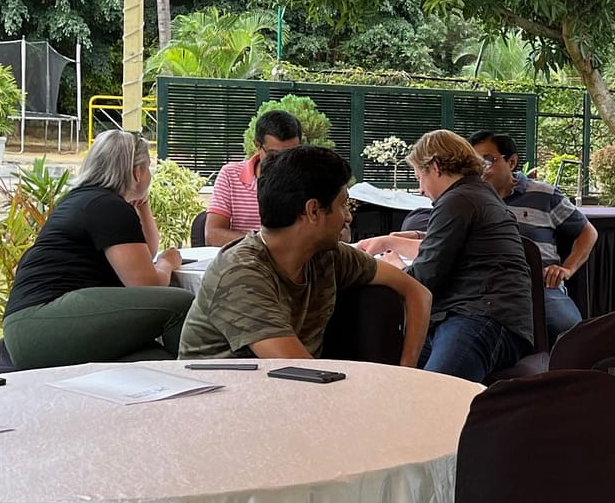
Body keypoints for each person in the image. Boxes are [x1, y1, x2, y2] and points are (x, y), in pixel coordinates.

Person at [180, 145, 431, 364]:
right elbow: (301, 370)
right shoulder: (240, 274)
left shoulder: (329, 256)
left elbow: (417, 293)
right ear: (313, 211)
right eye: (343, 204)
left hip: (289, 392)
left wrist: (405, 369)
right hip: (220, 397)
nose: (348, 217)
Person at [2, 129, 193, 368]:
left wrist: (142, 205)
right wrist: (167, 263)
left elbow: (144, 254)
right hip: (42, 320)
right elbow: (147, 285)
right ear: (137, 172)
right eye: (148, 168)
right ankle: (198, 374)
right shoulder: (107, 207)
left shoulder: (86, 200)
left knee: (154, 359)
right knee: (179, 304)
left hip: (26, 330)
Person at [358, 130, 537, 380]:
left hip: (481, 316)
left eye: (419, 177)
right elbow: (446, 247)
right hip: (490, 315)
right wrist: (396, 241)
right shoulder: (477, 194)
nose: (420, 189)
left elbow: (424, 277)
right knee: (396, 376)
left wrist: (393, 265)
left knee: (435, 391)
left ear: (435, 167)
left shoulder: (458, 200)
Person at [470, 131, 596, 340]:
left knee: (570, 330)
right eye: (475, 163)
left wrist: (568, 268)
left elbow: (587, 231)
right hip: (488, 288)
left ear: (511, 162)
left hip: (540, 286)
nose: (480, 170)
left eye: (487, 161)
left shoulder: (544, 195)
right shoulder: (470, 199)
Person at [204, 109, 304, 246]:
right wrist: (266, 244)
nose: (282, 161)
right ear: (257, 145)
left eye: (290, 154)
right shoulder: (230, 175)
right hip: (244, 256)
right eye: (274, 155)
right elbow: (213, 234)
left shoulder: (307, 178)